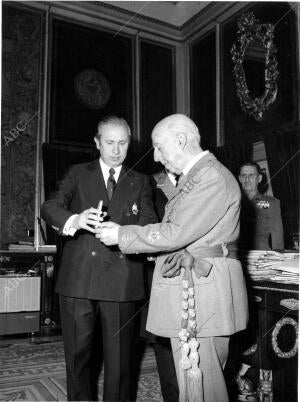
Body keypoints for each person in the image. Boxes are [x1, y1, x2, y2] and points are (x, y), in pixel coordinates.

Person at [96, 114, 249, 402]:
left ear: (180, 140)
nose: (155, 156)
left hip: (203, 296)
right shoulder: (196, 176)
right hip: (197, 291)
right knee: (195, 383)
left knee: (203, 387)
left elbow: (176, 232)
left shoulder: (210, 176)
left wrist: (123, 235)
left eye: (159, 147)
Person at [41, 116, 157, 401]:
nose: (116, 150)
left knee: (120, 364)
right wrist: (76, 219)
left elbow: (150, 222)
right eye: (109, 142)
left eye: (123, 143)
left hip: (121, 283)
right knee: (78, 359)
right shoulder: (78, 173)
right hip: (78, 282)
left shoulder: (141, 181)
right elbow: (50, 206)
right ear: (97, 142)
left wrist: (123, 233)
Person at [142, 169, 179, 402]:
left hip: (197, 273)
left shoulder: (201, 179)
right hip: (162, 272)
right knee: (165, 344)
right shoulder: (150, 183)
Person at [238, 162, 284, 250]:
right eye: (243, 175)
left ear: (259, 178)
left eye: (251, 175)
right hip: (238, 257)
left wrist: (277, 259)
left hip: (261, 257)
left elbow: (277, 235)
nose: (247, 179)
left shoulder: (270, 203)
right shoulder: (233, 202)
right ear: (240, 179)